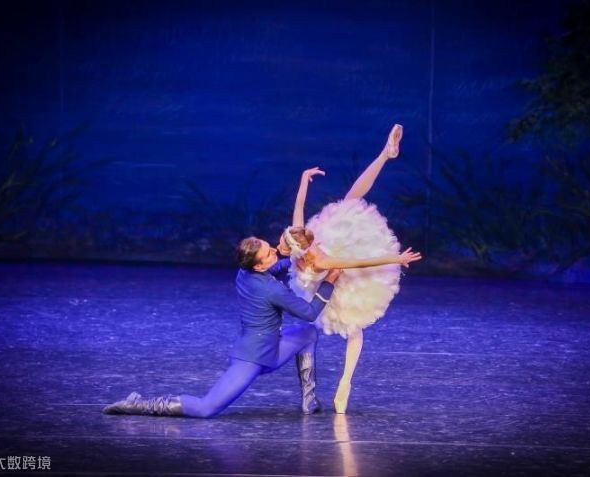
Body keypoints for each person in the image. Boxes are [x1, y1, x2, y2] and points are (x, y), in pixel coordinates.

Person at [102, 238, 340, 417]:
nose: (275, 252)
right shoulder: (271, 289)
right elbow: (309, 312)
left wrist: (297, 261)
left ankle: (309, 401)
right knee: (206, 408)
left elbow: (275, 269)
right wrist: (329, 280)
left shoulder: (244, 272)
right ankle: (138, 404)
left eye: (270, 248)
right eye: (269, 253)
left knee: (308, 334)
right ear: (258, 266)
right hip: (253, 357)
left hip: (272, 348)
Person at [276, 124, 420, 413]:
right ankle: (385, 154)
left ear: (297, 248)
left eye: (282, 242)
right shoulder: (303, 241)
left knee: (354, 328)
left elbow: (357, 262)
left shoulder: (315, 256)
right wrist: (304, 179)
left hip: (339, 275)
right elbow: (300, 207)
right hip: (321, 282)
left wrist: (394, 259)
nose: (279, 242)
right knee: (350, 200)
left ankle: (345, 385)